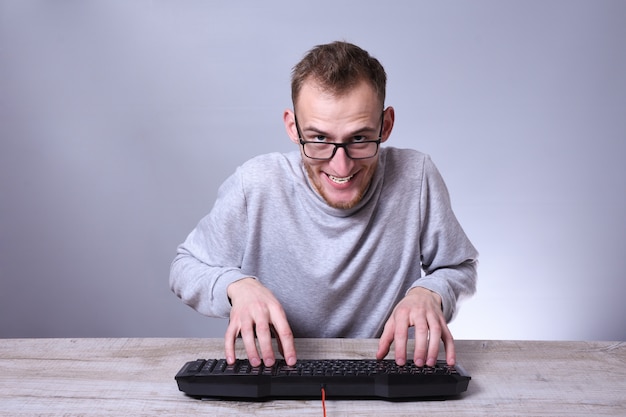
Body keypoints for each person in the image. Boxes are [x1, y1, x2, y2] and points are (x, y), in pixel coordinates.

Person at [170, 41, 478, 369]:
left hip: (387, 371)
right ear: (293, 127)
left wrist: (430, 293)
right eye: (318, 139)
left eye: (359, 139)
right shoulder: (255, 184)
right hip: (277, 371)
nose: (341, 166)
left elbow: (459, 267)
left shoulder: (416, 178)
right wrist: (236, 286)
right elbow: (185, 267)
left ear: (385, 125)